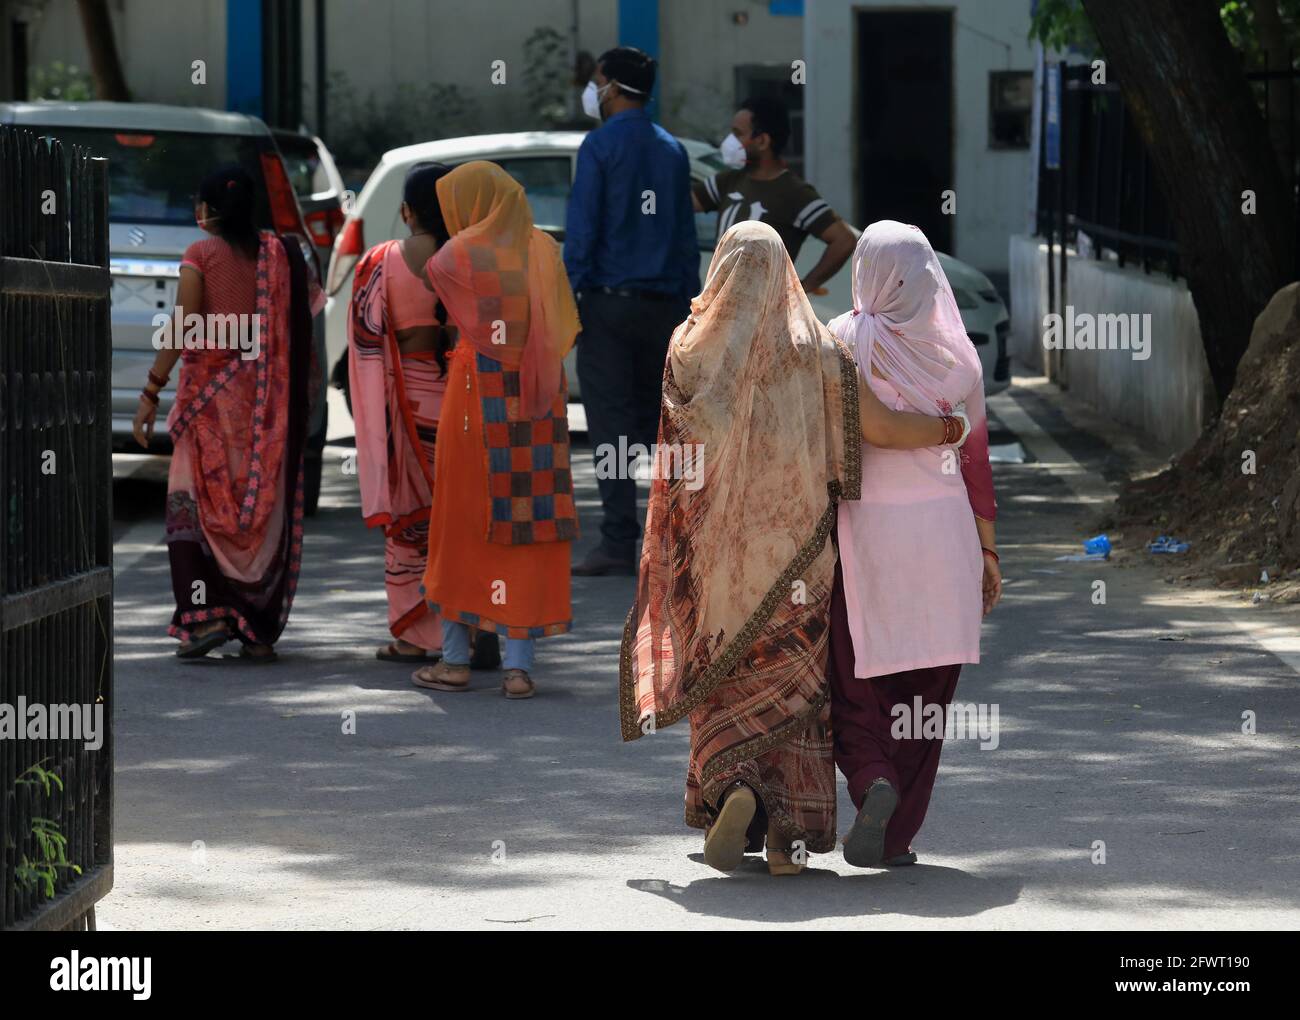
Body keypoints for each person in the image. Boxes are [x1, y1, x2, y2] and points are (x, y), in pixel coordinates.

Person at [620, 221, 971, 876]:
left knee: (724, 678)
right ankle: (787, 835)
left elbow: (674, 454)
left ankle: (738, 787)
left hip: (717, 551)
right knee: (797, 686)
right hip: (800, 550)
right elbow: (863, 442)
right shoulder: (816, 348)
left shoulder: (688, 348)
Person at [825, 220, 1001, 869]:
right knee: (927, 692)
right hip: (945, 536)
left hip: (866, 534)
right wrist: (988, 552)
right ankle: (894, 836)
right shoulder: (959, 356)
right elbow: (977, 462)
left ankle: (873, 778)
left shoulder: (840, 342)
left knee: (859, 675)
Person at [132, 164, 322, 661]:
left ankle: (207, 618)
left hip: (210, 406)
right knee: (256, 510)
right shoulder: (280, 257)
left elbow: (186, 321)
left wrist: (152, 389)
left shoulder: (201, 253)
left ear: (205, 211)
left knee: (191, 504)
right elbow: (304, 321)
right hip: (264, 412)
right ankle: (256, 629)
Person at [412, 161, 580, 699]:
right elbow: (560, 328)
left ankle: (455, 661)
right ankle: (518, 670)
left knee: (461, 522)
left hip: (474, 401)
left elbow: (429, 268)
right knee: (528, 522)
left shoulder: (455, 255)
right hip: (538, 400)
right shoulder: (543, 249)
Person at [565, 45, 700, 577]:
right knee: (666, 423)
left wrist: (567, 303)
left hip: (609, 306)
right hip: (666, 308)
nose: (592, 90)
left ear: (612, 86)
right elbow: (686, 240)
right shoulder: (672, 150)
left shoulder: (598, 147)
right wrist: (693, 312)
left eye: (596, 80)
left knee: (611, 426)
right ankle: (670, 541)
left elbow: (583, 233)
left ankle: (619, 539)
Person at [348, 163, 453, 663]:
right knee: (456, 519)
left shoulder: (381, 262)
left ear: (407, 211)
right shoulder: (469, 259)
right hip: (458, 405)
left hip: (402, 409)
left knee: (409, 524)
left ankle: (416, 635)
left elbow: (364, 346)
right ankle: (466, 632)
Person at [692, 96, 855, 292]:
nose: (729, 142)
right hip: (720, 306)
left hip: (763, 315)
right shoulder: (727, 181)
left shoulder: (795, 192)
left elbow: (844, 240)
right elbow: (681, 204)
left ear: (762, 141)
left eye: (738, 134)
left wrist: (803, 287)